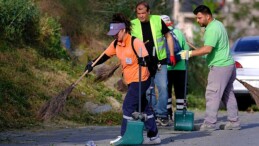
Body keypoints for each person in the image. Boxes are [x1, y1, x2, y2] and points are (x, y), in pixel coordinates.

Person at [85, 13, 161, 144]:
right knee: (144, 106)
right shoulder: (116, 44)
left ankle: (124, 135)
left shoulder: (135, 42)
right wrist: (92, 63)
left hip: (142, 79)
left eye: (116, 33)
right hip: (131, 80)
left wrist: (144, 61)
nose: (115, 35)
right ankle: (154, 136)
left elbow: (149, 59)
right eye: (113, 33)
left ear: (123, 30)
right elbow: (104, 56)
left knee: (128, 106)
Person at [180, 5, 240, 131]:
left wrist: (189, 53)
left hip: (220, 67)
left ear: (208, 16)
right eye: (197, 18)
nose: (197, 20)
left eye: (200, 18)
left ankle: (209, 124)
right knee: (228, 94)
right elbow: (210, 50)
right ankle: (234, 122)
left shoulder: (212, 29)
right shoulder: (218, 24)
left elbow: (207, 49)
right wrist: (202, 54)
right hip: (228, 65)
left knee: (212, 94)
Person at [131, 1, 176, 126]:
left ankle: (162, 114)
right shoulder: (133, 24)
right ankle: (152, 114)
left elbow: (169, 37)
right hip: (143, 63)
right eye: (138, 13)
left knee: (163, 87)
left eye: (143, 13)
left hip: (160, 61)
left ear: (149, 12)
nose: (141, 15)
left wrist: (171, 54)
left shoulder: (157, 20)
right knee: (147, 91)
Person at [160, 15, 190, 121]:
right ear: (170, 22)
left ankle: (168, 115)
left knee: (166, 91)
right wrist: (184, 62)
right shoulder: (178, 33)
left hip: (166, 67)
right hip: (180, 67)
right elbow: (186, 50)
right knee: (180, 91)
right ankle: (180, 115)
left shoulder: (160, 34)